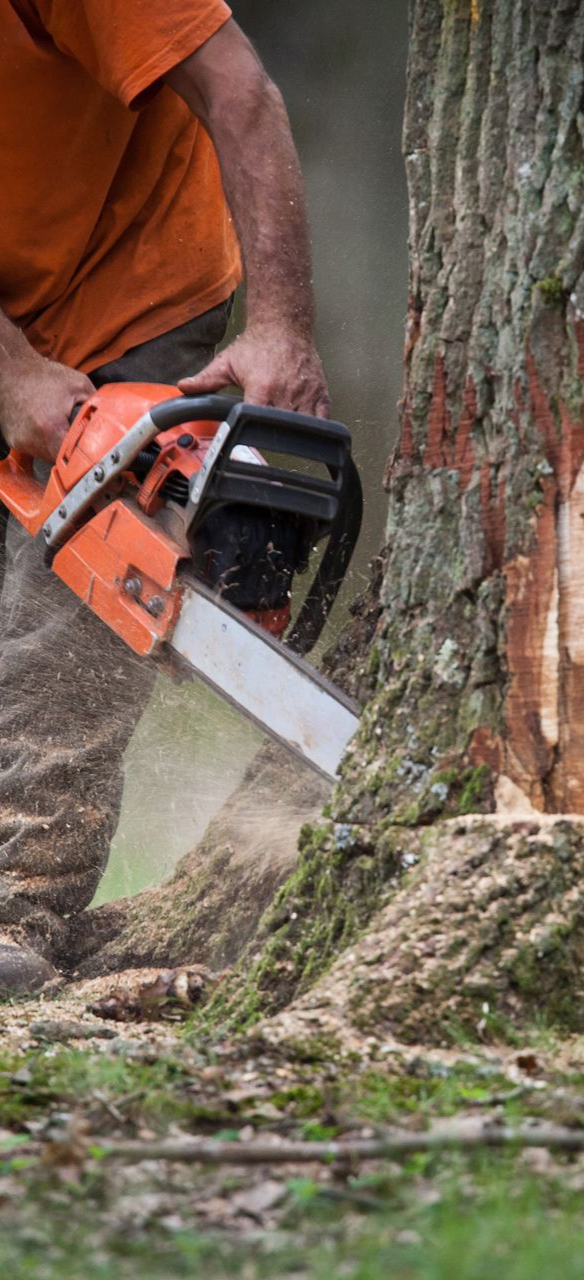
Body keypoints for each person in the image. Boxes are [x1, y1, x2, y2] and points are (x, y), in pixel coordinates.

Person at [0, 1, 330, 994]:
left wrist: (281, 325)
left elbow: (239, 91)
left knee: (66, 613)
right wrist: (12, 372)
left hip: (130, 269)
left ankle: (17, 899)